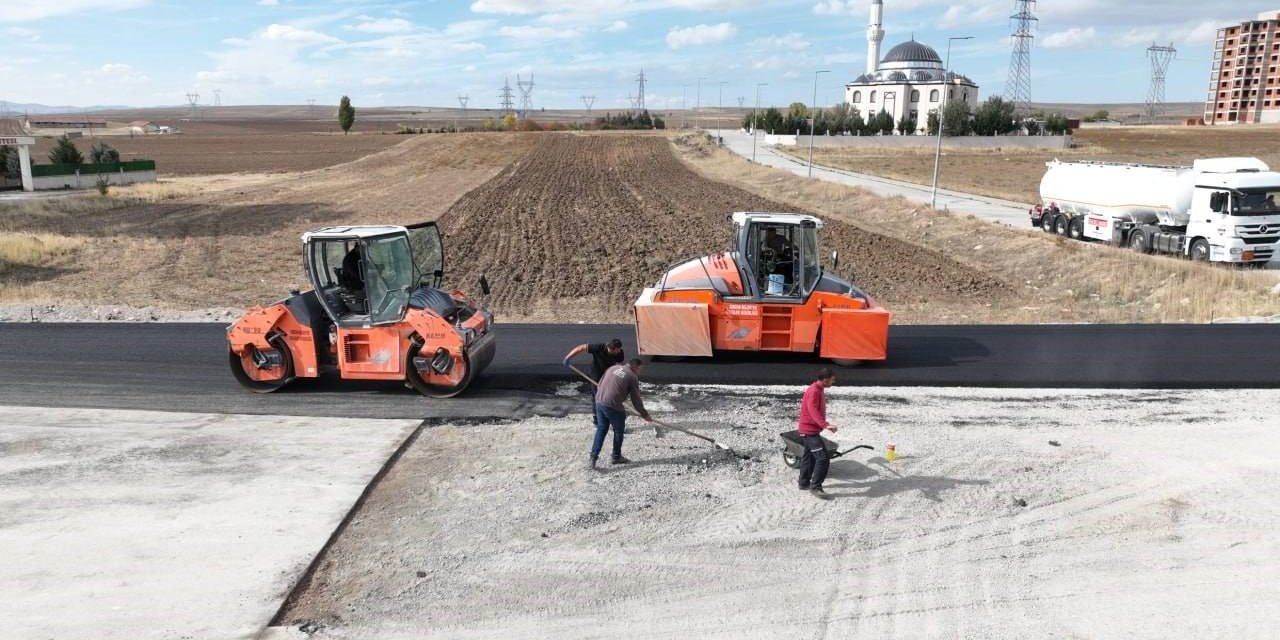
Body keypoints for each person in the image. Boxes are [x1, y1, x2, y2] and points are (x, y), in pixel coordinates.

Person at [589, 358, 653, 469]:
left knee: (601, 429)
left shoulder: (612, 368)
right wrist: (644, 414)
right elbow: (636, 400)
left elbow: (600, 384)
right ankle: (616, 456)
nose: (639, 372)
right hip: (612, 406)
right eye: (639, 369)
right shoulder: (632, 377)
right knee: (618, 430)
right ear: (635, 367)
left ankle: (593, 458)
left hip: (599, 401)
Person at [797, 368, 839, 500]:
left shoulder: (818, 389)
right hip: (809, 432)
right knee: (822, 458)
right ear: (825, 379)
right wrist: (825, 425)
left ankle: (804, 483)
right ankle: (816, 487)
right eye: (832, 379)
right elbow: (812, 410)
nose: (834, 381)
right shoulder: (814, 391)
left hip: (810, 430)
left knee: (808, 457)